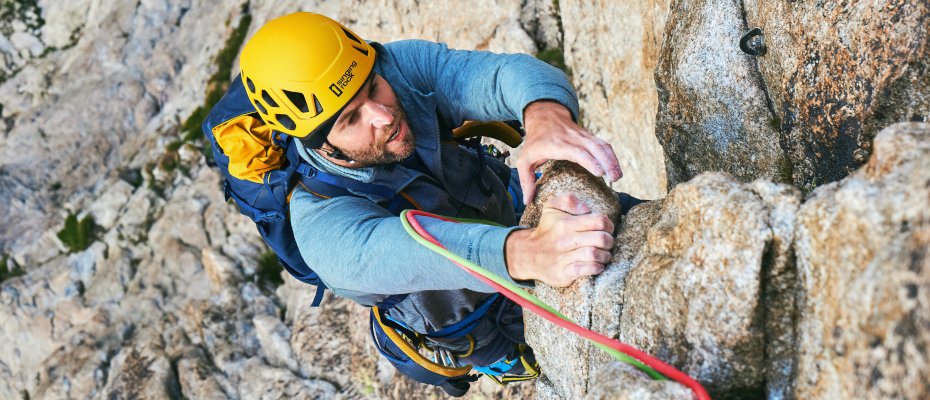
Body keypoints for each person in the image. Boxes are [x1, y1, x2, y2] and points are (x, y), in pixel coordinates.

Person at [208, 12, 642, 392]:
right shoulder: (321, 222)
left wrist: (545, 117)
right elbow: (420, 248)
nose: (382, 115)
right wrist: (528, 252)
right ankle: (503, 362)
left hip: (501, 205)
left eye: (372, 88)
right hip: (465, 305)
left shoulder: (399, 68)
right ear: (324, 147)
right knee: (493, 338)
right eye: (351, 118)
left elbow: (500, 76)